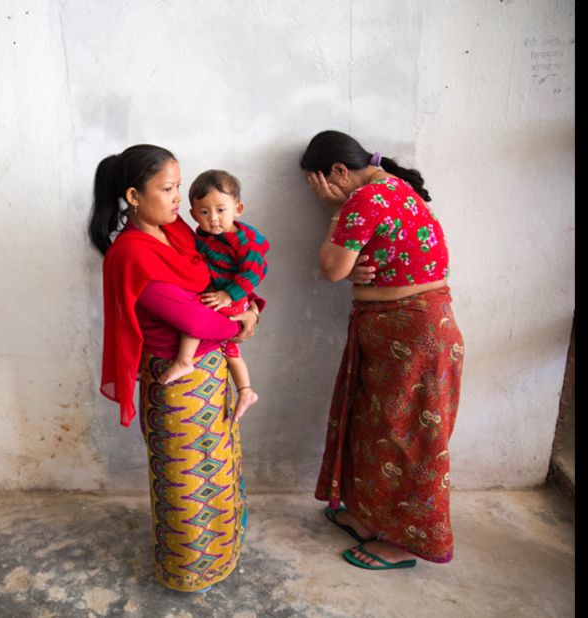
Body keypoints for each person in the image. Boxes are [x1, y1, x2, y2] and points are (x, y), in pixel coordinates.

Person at [90, 144, 262, 592]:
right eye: (167, 189)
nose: (177, 200)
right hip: (176, 384)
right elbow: (192, 316)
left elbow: (219, 280)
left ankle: (224, 555)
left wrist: (249, 306)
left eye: (178, 187)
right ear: (133, 194)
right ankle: (187, 573)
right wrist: (241, 317)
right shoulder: (132, 254)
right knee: (185, 487)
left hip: (210, 374)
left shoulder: (180, 233)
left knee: (220, 469)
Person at [300, 130, 464, 570]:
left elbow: (333, 268)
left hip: (413, 339)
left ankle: (403, 543)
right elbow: (384, 257)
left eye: (320, 184)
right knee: (378, 430)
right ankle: (369, 517)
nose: (321, 193)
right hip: (405, 337)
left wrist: (336, 211)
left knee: (407, 438)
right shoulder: (396, 186)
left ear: (337, 172)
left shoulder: (363, 200)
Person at [157, 170, 270, 423]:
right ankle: (245, 390)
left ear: (237, 208)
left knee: (196, 316)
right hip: (226, 298)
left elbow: (254, 272)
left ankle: (185, 360)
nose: (214, 219)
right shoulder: (201, 237)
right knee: (231, 351)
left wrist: (228, 296)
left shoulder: (245, 241)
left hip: (232, 298)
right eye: (205, 212)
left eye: (221, 210)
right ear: (193, 214)